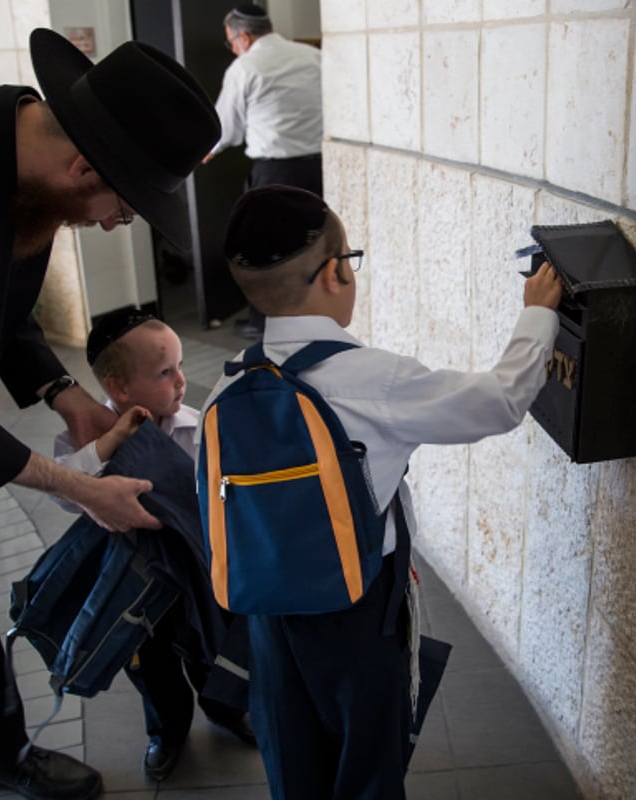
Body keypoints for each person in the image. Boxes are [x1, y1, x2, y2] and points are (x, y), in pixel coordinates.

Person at [0, 28, 220, 800]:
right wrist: (80, 487)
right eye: (127, 205)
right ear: (85, 166)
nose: (123, 224)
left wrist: (64, 392)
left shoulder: (19, 161)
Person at [206, 185, 563, 800]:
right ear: (337, 272)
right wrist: (538, 311)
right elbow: (501, 401)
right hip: (356, 614)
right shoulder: (375, 380)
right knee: (367, 767)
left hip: (266, 615)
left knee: (293, 764)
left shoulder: (227, 385)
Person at [51, 307, 255, 781]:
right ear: (119, 389)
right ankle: (167, 731)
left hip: (193, 571)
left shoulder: (194, 425)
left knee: (211, 646)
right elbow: (65, 495)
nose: (181, 381)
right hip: (136, 587)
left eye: (180, 367)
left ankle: (225, 708)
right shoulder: (82, 440)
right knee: (150, 664)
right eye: (165, 373)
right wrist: (109, 445)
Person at [204, 3, 324, 339]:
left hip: (276, 174)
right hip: (320, 169)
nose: (232, 48)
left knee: (264, 248)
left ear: (242, 36)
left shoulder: (245, 67)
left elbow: (224, 129)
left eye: (230, 41)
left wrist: (206, 150)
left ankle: (263, 324)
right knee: (314, 245)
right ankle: (315, 319)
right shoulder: (311, 56)